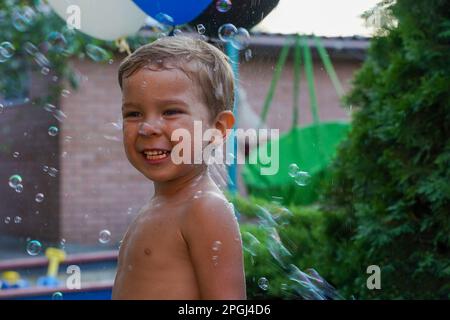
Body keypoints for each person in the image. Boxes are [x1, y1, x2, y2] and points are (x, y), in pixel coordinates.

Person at [112, 36, 246, 299]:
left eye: (171, 112)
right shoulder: (158, 206)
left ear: (217, 129)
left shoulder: (204, 209)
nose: (147, 127)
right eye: (133, 114)